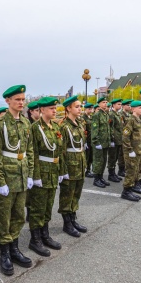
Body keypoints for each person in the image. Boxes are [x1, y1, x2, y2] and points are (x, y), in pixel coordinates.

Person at [0, 85, 34, 276]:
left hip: (22, 176)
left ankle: (14, 249)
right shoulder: (0, 125)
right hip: (7, 178)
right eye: (17, 99)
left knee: (18, 215)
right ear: (8, 101)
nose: (21, 102)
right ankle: (5, 253)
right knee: (3, 217)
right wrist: (0, 182)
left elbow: (29, 150)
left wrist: (30, 174)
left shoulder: (25, 123)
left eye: (23, 99)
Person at [28, 97, 66, 256]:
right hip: (42, 173)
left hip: (53, 171)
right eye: (51, 108)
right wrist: (35, 176)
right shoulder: (35, 128)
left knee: (48, 206)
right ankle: (35, 239)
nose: (54, 110)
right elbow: (33, 153)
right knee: (37, 207)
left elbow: (60, 151)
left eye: (55, 108)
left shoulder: (55, 126)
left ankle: (45, 235)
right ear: (42, 110)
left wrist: (62, 171)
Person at [58, 96, 87, 237]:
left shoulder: (79, 124)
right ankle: (67, 223)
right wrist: (63, 170)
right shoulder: (64, 127)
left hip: (79, 163)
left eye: (80, 106)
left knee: (76, 193)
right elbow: (61, 151)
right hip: (69, 166)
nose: (80, 109)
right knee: (67, 195)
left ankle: (73, 218)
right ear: (68, 108)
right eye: (77, 106)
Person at [120, 100, 141, 201]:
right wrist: (129, 150)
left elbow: (139, 136)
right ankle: (126, 191)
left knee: (136, 169)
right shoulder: (130, 120)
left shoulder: (138, 119)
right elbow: (125, 137)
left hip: (137, 150)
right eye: (140, 108)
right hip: (131, 151)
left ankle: (133, 187)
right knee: (130, 171)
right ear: (133, 109)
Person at [91, 97, 112, 188]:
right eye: (103, 102)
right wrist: (96, 142)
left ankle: (101, 177)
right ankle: (96, 179)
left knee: (103, 161)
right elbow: (95, 129)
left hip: (105, 142)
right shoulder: (97, 115)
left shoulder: (106, 114)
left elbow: (108, 129)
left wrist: (109, 140)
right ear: (99, 104)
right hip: (99, 143)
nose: (105, 104)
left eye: (106, 102)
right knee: (98, 161)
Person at [107, 98, 123, 183]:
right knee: (112, 157)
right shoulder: (111, 114)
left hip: (119, 139)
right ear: (113, 105)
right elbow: (110, 127)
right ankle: (111, 174)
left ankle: (113, 173)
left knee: (116, 156)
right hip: (114, 139)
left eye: (120, 104)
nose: (120, 106)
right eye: (118, 104)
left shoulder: (118, 114)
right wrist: (111, 139)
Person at [117, 99, 133, 177]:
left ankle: (124, 169)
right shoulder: (120, 115)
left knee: (126, 154)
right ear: (123, 106)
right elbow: (122, 127)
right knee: (121, 154)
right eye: (127, 105)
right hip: (123, 136)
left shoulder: (129, 114)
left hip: (128, 137)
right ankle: (121, 170)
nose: (129, 106)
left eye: (130, 105)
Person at [81, 103, 95, 178]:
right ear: (85, 109)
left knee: (91, 156)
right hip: (87, 140)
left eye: (91, 109)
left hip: (92, 140)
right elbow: (83, 131)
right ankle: (85, 170)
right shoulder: (83, 118)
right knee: (87, 156)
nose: (91, 110)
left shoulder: (91, 117)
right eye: (89, 109)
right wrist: (85, 142)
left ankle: (89, 170)